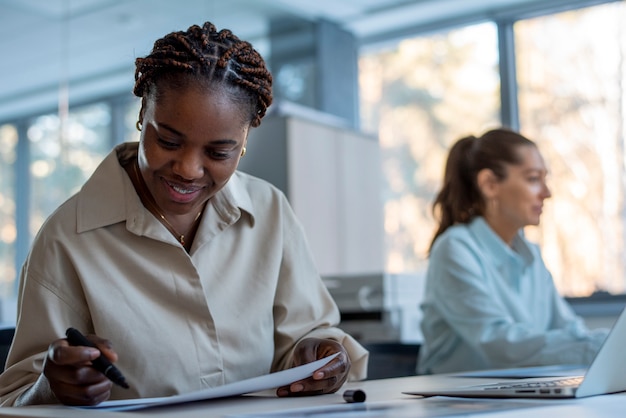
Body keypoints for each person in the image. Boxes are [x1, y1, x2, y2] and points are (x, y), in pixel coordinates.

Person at [0, 21, 367, 406]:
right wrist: (51, 385)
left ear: (243, 143)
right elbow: (13, 397)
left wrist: (322, 357)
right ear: (143, 114)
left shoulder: (270, 212)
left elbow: (309, 337)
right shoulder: (67, 237)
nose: (188, 170)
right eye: (168, 141)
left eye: (219, 152)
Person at [417, 128, 609, 375]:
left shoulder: (531, 254)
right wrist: (597, 347)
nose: (547, 192)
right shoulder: (454, 249)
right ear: (489, 184)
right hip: (454, 401)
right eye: (533, 179)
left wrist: (608, 347)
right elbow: (500, 344)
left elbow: (568, 328)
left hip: (518, 391)